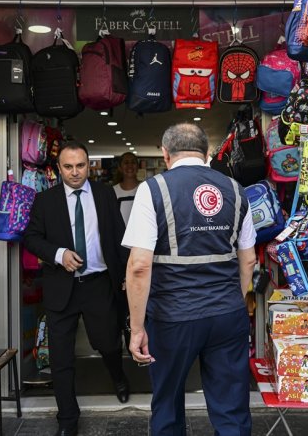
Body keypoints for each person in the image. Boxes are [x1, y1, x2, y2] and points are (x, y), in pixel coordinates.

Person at [123, 123, 257, 435]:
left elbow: (139, 266)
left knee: (168, 405)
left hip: (173, 316)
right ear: (207, 153)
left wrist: (137, 328)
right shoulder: (236, 191)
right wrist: (232, 302)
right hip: (227, 314)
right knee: (232, 408)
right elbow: (248, 259)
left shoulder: (152, 189)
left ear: (165, 153)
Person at [24, 140, 130, 436]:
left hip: (99, 285)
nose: (74, 172)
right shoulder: (46, 200)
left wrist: (125, 276)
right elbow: (31, 238)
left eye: (80, 166)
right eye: (68, 167)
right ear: (58, 168)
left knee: (108, 343)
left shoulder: (105, 193)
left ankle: (118, 376)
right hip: (62, 287)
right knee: (61, 358)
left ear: (89, 165)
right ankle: (67, 419)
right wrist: (58, 254)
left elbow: (119, 236)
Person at [113, 151, 140, 226]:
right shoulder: (112, 192)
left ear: (138, 167)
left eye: (133, 162)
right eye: (126, 163)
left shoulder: (146, 189)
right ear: (120, 168)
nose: (130, 165)